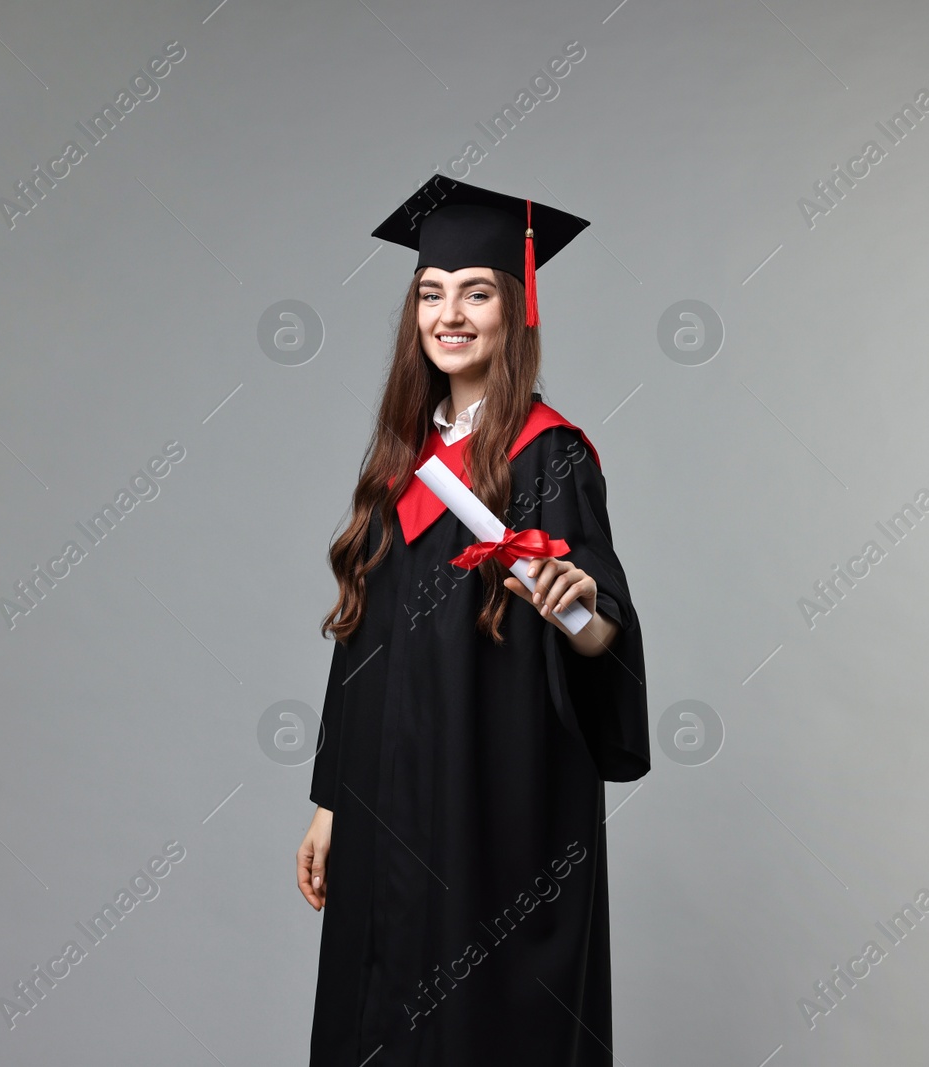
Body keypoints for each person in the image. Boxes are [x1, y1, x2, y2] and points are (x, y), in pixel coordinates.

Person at [297, 175, 651, 1066]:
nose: (449, 313)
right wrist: (331, 801)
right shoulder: (402, 464)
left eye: (477, 291)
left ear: (516, 309)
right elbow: (360, 646)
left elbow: (603, 625)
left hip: (493, 807)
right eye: (431, 293)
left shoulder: (551, 456)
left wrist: (580, 610)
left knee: (477, 1027)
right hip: (384, 803)